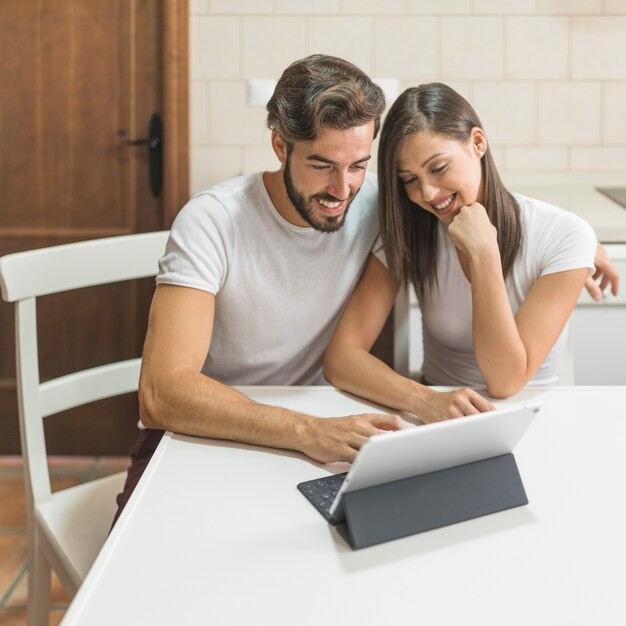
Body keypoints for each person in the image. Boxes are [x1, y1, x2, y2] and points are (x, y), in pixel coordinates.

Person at [112, 58, 495, 525]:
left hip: (322, 431)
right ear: (280, 145)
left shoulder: (381, 205)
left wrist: (578, 243)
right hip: (207, 429)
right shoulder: (211, 221)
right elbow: (162, 392)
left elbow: (464, 192)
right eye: (322, 165)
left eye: (358, 165)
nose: (342, 189)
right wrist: (305, 430)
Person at [324, 82, 614, 411]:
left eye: (438, 168)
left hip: (533, 415)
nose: (428, 194)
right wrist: (426, 401)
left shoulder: (562, 234)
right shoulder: (411, 229)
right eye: (410, 180)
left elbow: (505, 381)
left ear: (477, 142)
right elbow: (342, 358)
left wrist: (484, 254)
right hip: (438, 414)